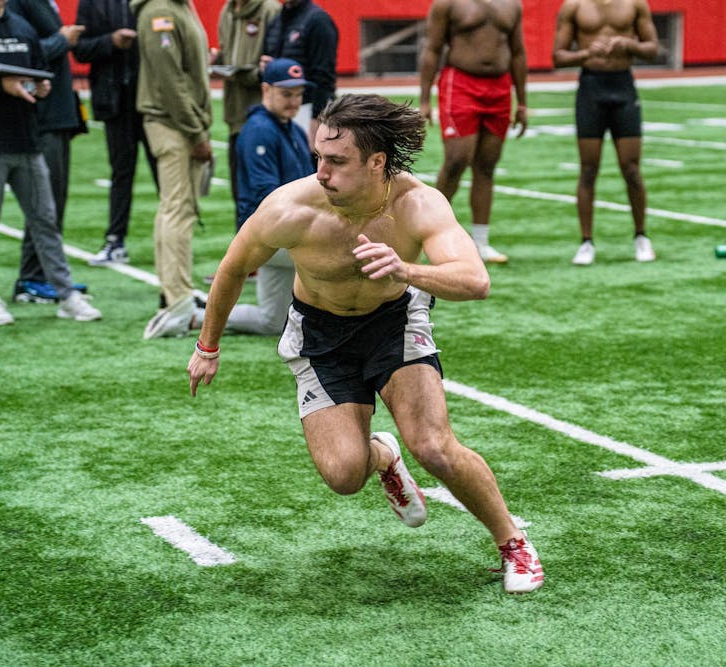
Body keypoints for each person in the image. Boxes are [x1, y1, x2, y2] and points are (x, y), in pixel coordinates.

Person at [187, 94, 544, 594]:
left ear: (377, 162)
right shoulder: (291, 206)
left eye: (337, 161)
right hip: (319, 335)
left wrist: (406, 269)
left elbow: (475, 280)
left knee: (434, 447)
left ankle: (513, 542)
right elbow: (230, 269)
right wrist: (208, 347)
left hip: (393, 321)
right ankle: (382, 457)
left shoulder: (416, 203)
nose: (322, 172)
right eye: (318, 158)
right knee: (343, 475)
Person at [0, 0, 101, 326]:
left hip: (28, 141)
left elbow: (39, 71)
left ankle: (66, 294)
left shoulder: (21, 27)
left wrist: (39, 88)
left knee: (45, 220)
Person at [192, 58, 313, 336]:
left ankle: (196, 314)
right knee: (341, 254)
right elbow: (267, 196)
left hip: (284, 232)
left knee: (272, 321)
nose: (294, 101)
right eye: (286, 93)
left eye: (298, 94)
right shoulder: (260, 130)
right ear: (266, 90)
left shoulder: (292, 128)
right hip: (270, 237)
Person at [418, 0, 528, 265]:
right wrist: (424, 99)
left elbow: (518, 52)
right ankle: (431, 236)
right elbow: (432, 48)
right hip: (461, 83)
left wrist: (522, 101)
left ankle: (481, 242)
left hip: (500, 87)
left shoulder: (512, 4)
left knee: (487, 165)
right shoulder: (448, 3)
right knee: (456, 161)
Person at [553, 0, 659, 265]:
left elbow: (653, 49)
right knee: (588, 169)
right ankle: (586, 242)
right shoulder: (574, 6)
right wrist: (586, 53)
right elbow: (558, 57)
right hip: (591, 88)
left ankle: (641, 236)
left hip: (623, 85)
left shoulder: (635, 4)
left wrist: (629, 45)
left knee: (631, 168)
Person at [132, 0, 213, 339]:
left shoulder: (178, 7)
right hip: (174, 125)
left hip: (181, 123)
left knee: (176, 208)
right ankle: (177, 297)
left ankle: (176, 290)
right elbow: (170, 79)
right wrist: (195, 131)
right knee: (177, 210)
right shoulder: (159, 12)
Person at [8, 0, 88, 303]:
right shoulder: (18, 4)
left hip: (58, 114)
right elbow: (20, 52)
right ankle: (31, 278)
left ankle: (47, 276)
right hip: (44, 116)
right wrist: (61, 41)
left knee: (54, 198)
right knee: (45, 202)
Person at [73, 0, 160, 266]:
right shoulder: (91, 3)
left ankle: (173, 239)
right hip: (115, 101)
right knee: (121, 172)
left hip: (153, 101)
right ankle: (115, 240)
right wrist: (110, 41)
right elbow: (80, 49)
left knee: (165, 174)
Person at [211, 0, 280, 207]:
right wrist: (214, 59)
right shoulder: (227, 10)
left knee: (266, 197)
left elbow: (277, 65)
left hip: (263, 117)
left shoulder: (270, 10)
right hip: (235, 116)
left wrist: (257, 72)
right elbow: (226, 53)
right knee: (240, 196)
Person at [261, 0, 337, 152]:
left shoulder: (319, 21)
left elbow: (324, 77)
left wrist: (316, 120)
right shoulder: (276, 20)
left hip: (306, 111)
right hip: (280, 111)